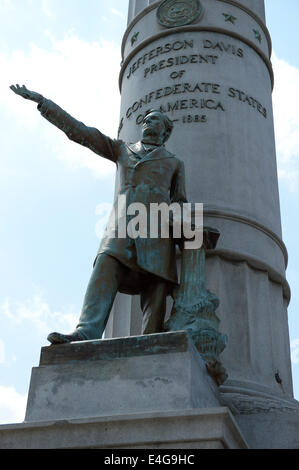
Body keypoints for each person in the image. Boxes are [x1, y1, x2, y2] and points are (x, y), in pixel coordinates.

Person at [10, 84, 188, 344]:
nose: (148, 124)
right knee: (104, 266)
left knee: (157, 287)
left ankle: (151, 340)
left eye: (155, 121)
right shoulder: (122, 150)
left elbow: (181, 201)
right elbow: (82, 133)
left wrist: (190, 233)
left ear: (166, 131)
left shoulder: (174, 163)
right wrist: (43, 103)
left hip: (158, 230)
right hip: (121, 228)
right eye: (146, 120)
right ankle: (86, 331)